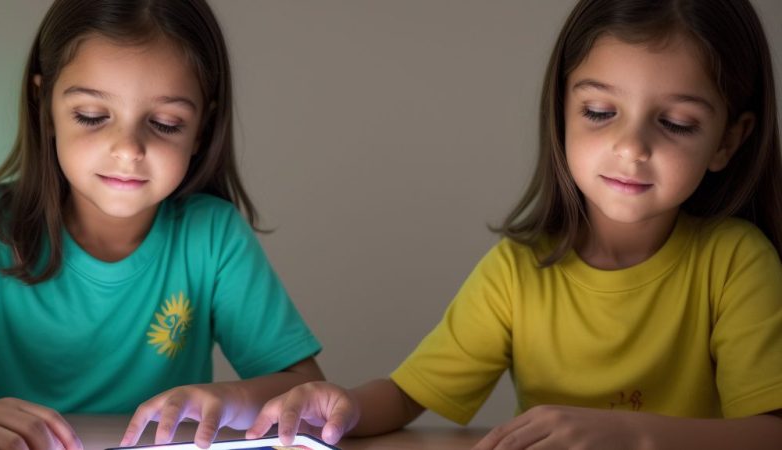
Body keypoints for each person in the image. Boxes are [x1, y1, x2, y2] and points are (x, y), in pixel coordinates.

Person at [246, 0, 782, 448]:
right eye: (600, 112)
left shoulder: (736, 262)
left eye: (675, 123)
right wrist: (345, 404)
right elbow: (410, 394)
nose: (631, 147)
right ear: (562, 113)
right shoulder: (517, 271)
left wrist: (628, 433)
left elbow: (769, 432)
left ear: (729, 141)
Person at [0, 1, 324, 449]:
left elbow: (306, 388)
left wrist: (235, 397)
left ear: (201, 128)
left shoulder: (212, 235)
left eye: (167, 123)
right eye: (92, 116)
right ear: (45, 106)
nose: (128, 149)